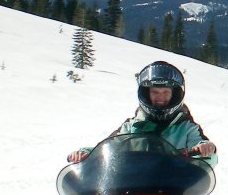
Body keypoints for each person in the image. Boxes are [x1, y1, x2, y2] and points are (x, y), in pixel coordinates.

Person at [67, 61, 217, 165]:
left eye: (166, 92)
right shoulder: (131, 126)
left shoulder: (187, 127)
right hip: (135, 191)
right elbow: (107, 147)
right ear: (147, 94)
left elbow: (205, 153)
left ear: (175, 94)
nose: (160, 97)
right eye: (155, 92)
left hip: (176, 191)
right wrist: (86, 154)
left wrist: (206, 149)